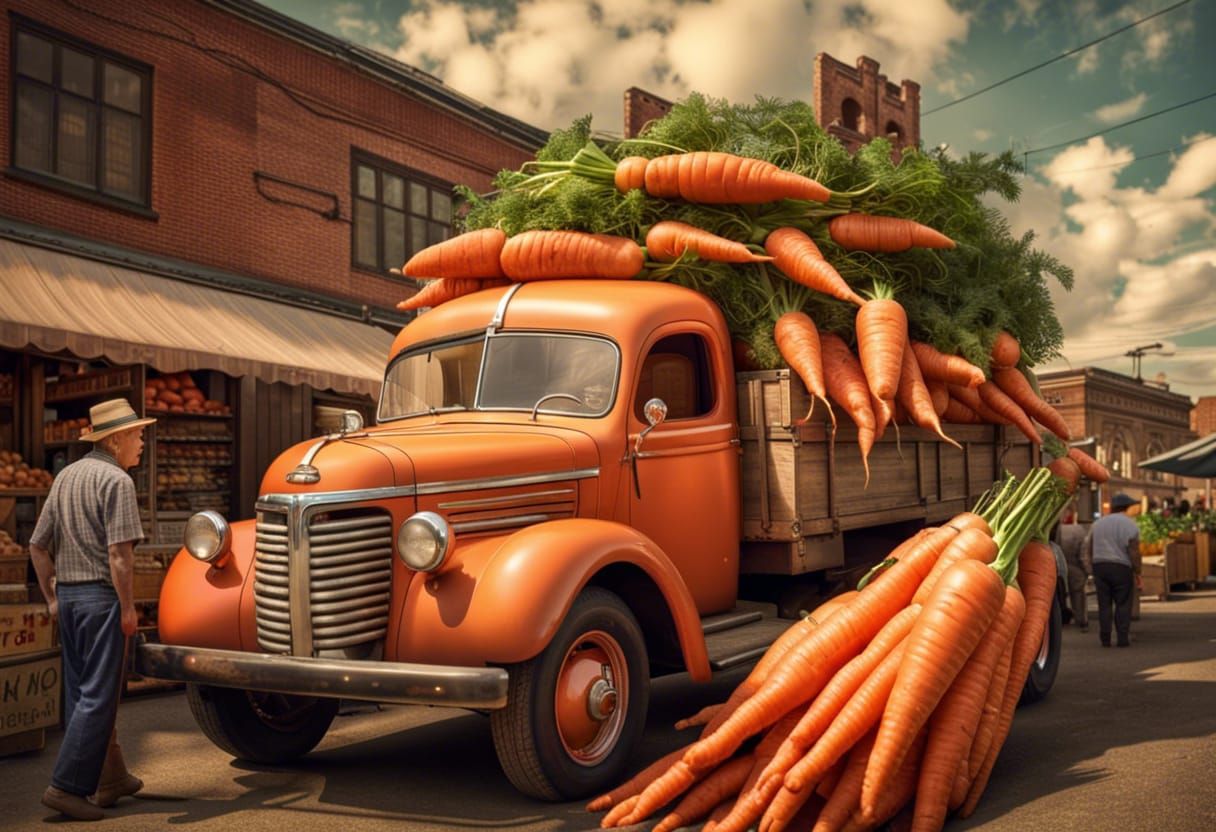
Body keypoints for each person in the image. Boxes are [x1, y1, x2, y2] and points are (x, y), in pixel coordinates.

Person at [28, 398, 154, 820]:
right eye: (137, 435)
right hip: (101, 600)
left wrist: (50, 598)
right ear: (116, 440)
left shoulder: (65, 476)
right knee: (99, 697)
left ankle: (111, 777)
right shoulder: (117, 482)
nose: (142, 442)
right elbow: (120, 556)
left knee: (81, 694)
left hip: (69, 600)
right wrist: (129, 608)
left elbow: (36, 544)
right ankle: (65, 787)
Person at [1082, 493, 1142, 648]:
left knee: (1104, 604)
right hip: (1121, 567)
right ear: (1127, 507)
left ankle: (1105, 638)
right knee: (1123, 603)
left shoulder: (1098, 523)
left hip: (1100, 567)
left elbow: (1088, 547)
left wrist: (1090, 568)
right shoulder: (1130, 525)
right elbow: (1133, 551)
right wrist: (1137, 571)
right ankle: (1122, 638)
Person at [1055, 516, 1090, 633]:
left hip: (1057, 565)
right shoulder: (1079, 530)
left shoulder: (1057, 528)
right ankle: (1080, 619)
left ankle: (1060, 619)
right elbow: (1083, 554)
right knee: (1078, 594)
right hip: (1075, 567)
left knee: (1059, 595)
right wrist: (1087, 570)